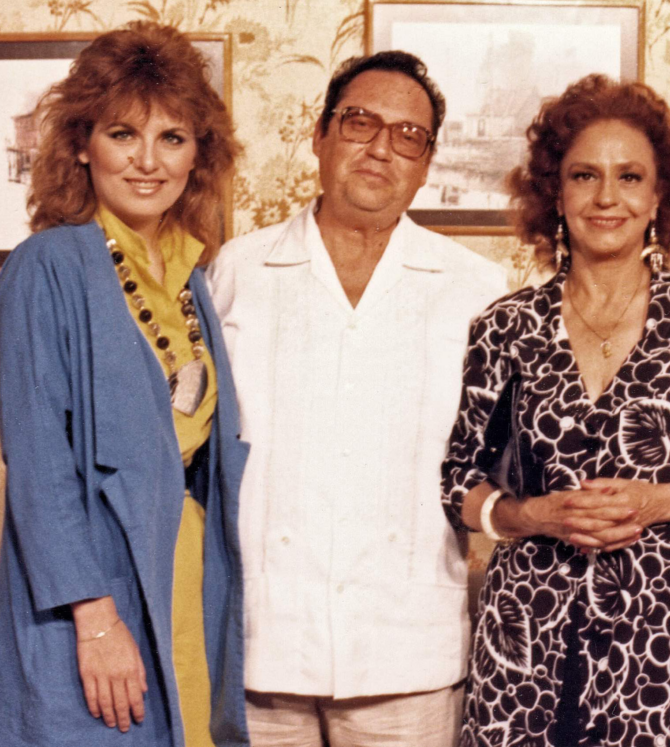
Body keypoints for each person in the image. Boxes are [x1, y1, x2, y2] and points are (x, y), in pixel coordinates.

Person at [440, 74, 670, 747]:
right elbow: (460, 481)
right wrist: (531, 515)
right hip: (527, 647)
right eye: (584, 176)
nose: (607, 197)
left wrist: (663, 502)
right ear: (555, 193)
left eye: (630, 177)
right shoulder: (505, 327)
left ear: (660, 195)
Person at [206, 51, 506, 746]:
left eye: (409, 135)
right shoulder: (237, 272)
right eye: (360, 123)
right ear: (319, 136)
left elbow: (501, 463)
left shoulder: (476, 289)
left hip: (409, 653)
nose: (381, 148)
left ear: (427, 164)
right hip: (260, 646)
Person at [0, 22, 247, 747]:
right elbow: (38, 464)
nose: (147, 161)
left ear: (198, 154)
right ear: (82, 143)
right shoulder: (46, 267)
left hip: (183, 573)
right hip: (90, 591)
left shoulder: (193, 275)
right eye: (122, 134)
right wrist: (95, 618)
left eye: (172, 138)